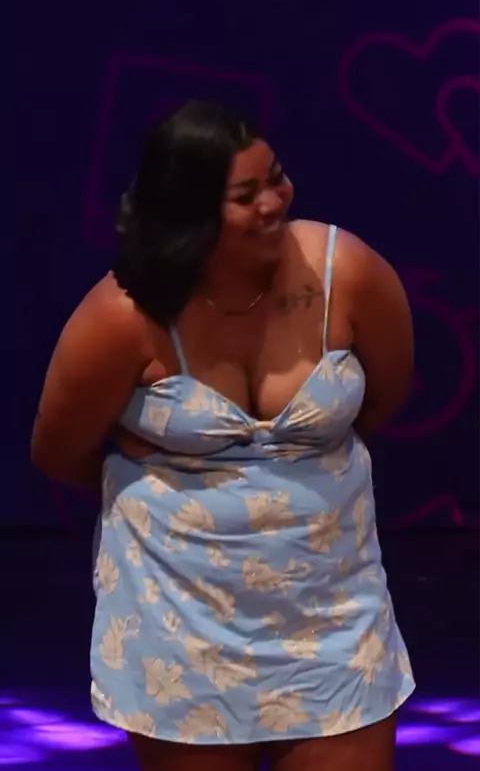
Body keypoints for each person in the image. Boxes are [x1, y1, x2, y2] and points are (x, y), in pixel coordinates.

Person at [31, 101, 415, 771]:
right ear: (190, 213)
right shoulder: (123, 316)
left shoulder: (346, 272)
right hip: (181, 621)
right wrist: (176, 493)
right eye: (246, 195)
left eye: (277, 178)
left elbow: (387, 396)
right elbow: (59, 451)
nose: (274, 202)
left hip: (331, 616)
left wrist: (297, 479)